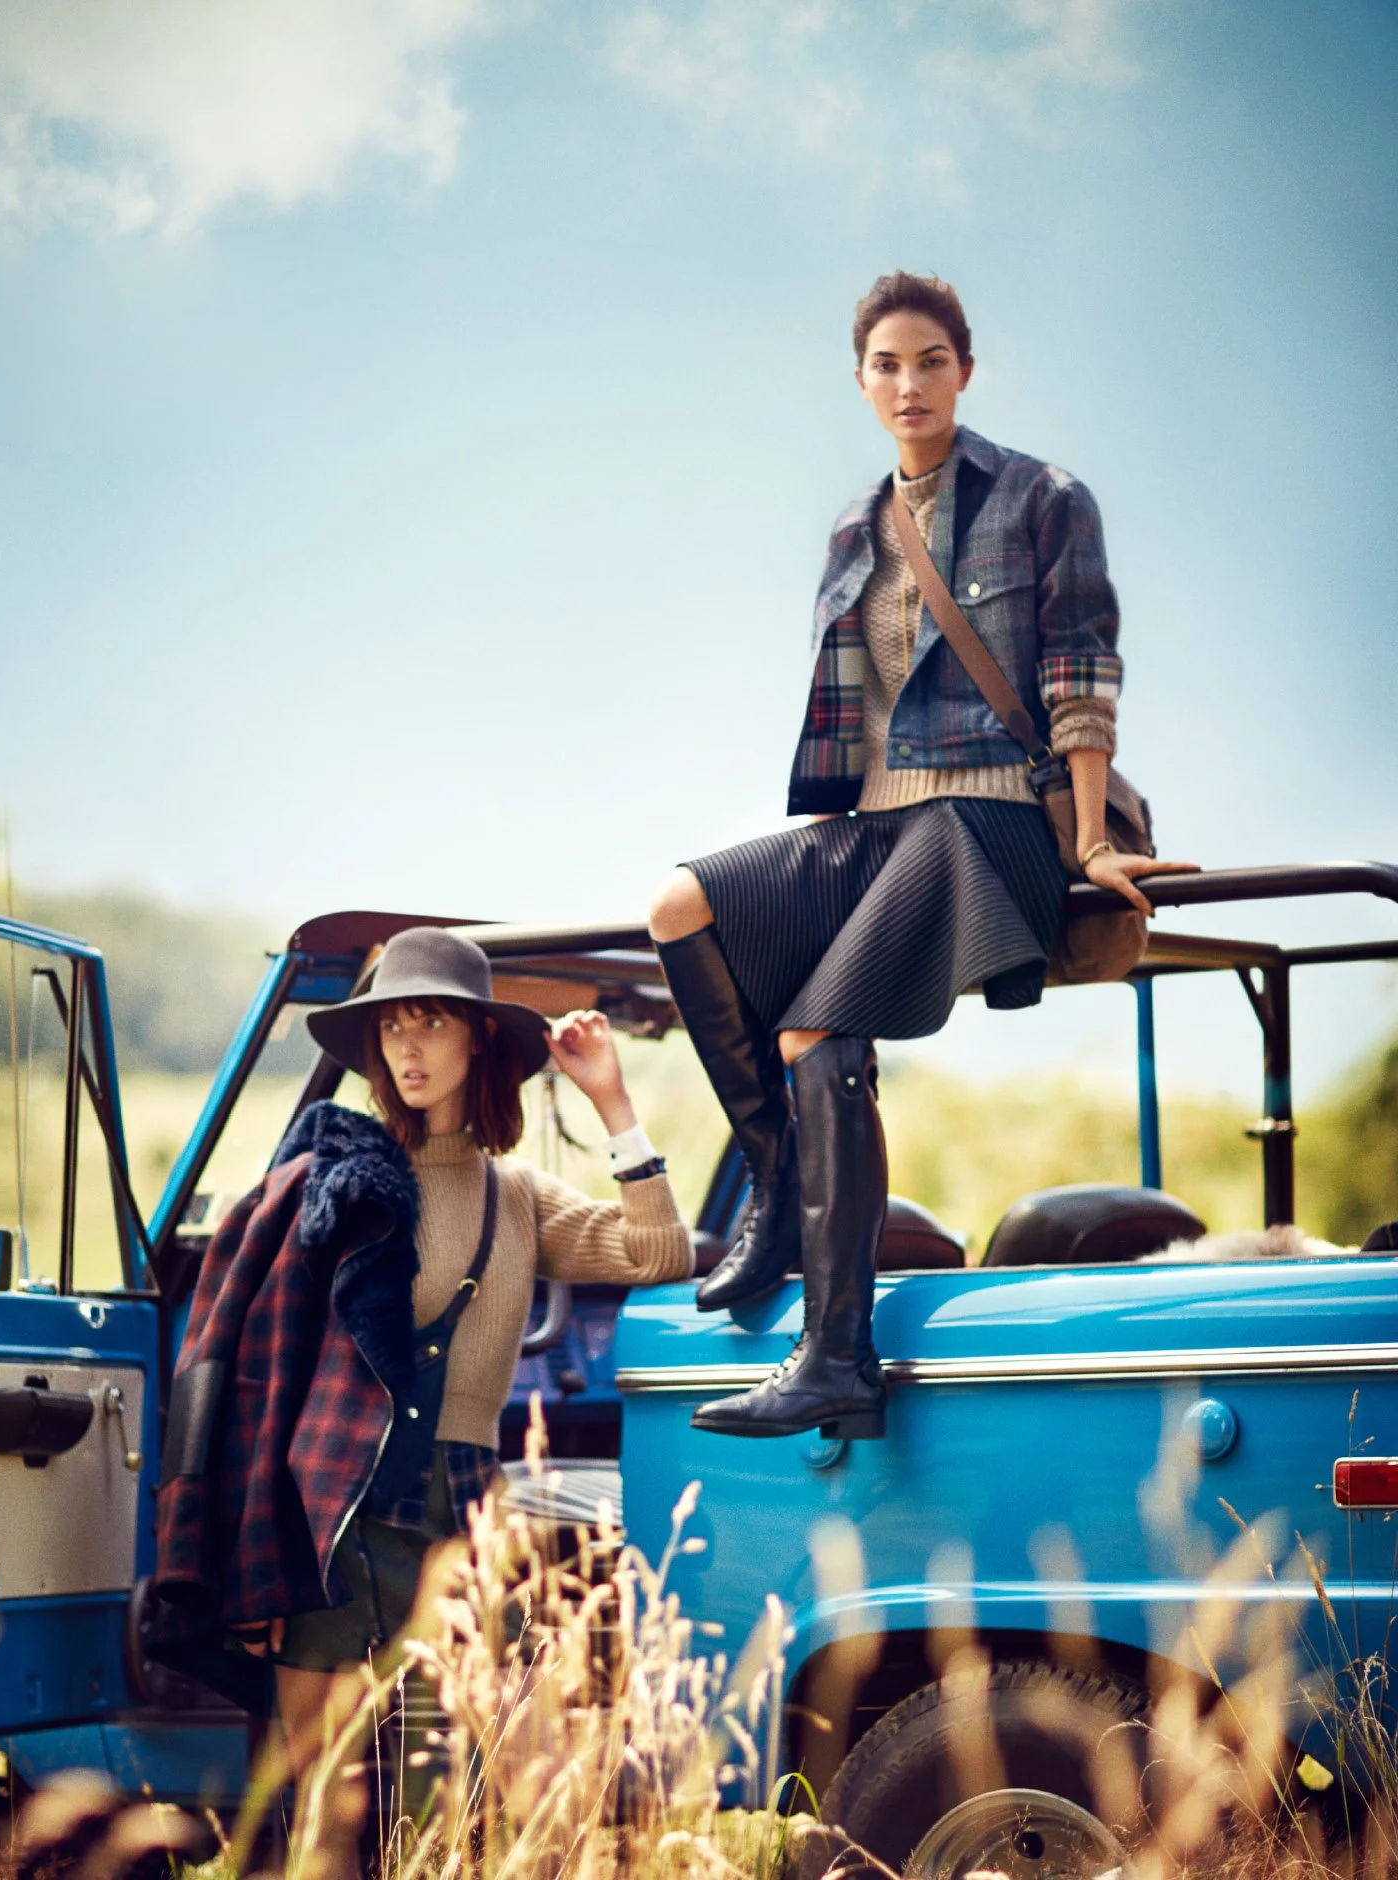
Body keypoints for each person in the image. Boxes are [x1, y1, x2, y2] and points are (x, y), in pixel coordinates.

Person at [648, 270, 1196, 1440]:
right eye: (887, 365)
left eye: (930, 360)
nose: (909, 383)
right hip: (885, 818)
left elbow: (1080, 677)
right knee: (679, 905)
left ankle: (836, 1354)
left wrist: (1090, 837)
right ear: (862, 382)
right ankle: (779, 1203)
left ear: (965, 369)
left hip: (995, 816)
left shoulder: (1045, 496)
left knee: (815, 1026)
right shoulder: (855, 526)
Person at [154, 925, 691, 1874]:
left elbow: (660, 1254)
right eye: (391, 1028)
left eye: (431, 1023)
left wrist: (610, 1098)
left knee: (438, 1814)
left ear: (477, 1038)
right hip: (331, 1521)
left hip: (457, 1519)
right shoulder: (330, 1189)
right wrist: (259, 1558)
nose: (406, 1047)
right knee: (312, 1812)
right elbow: (260, 1391)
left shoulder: (517, 1197)